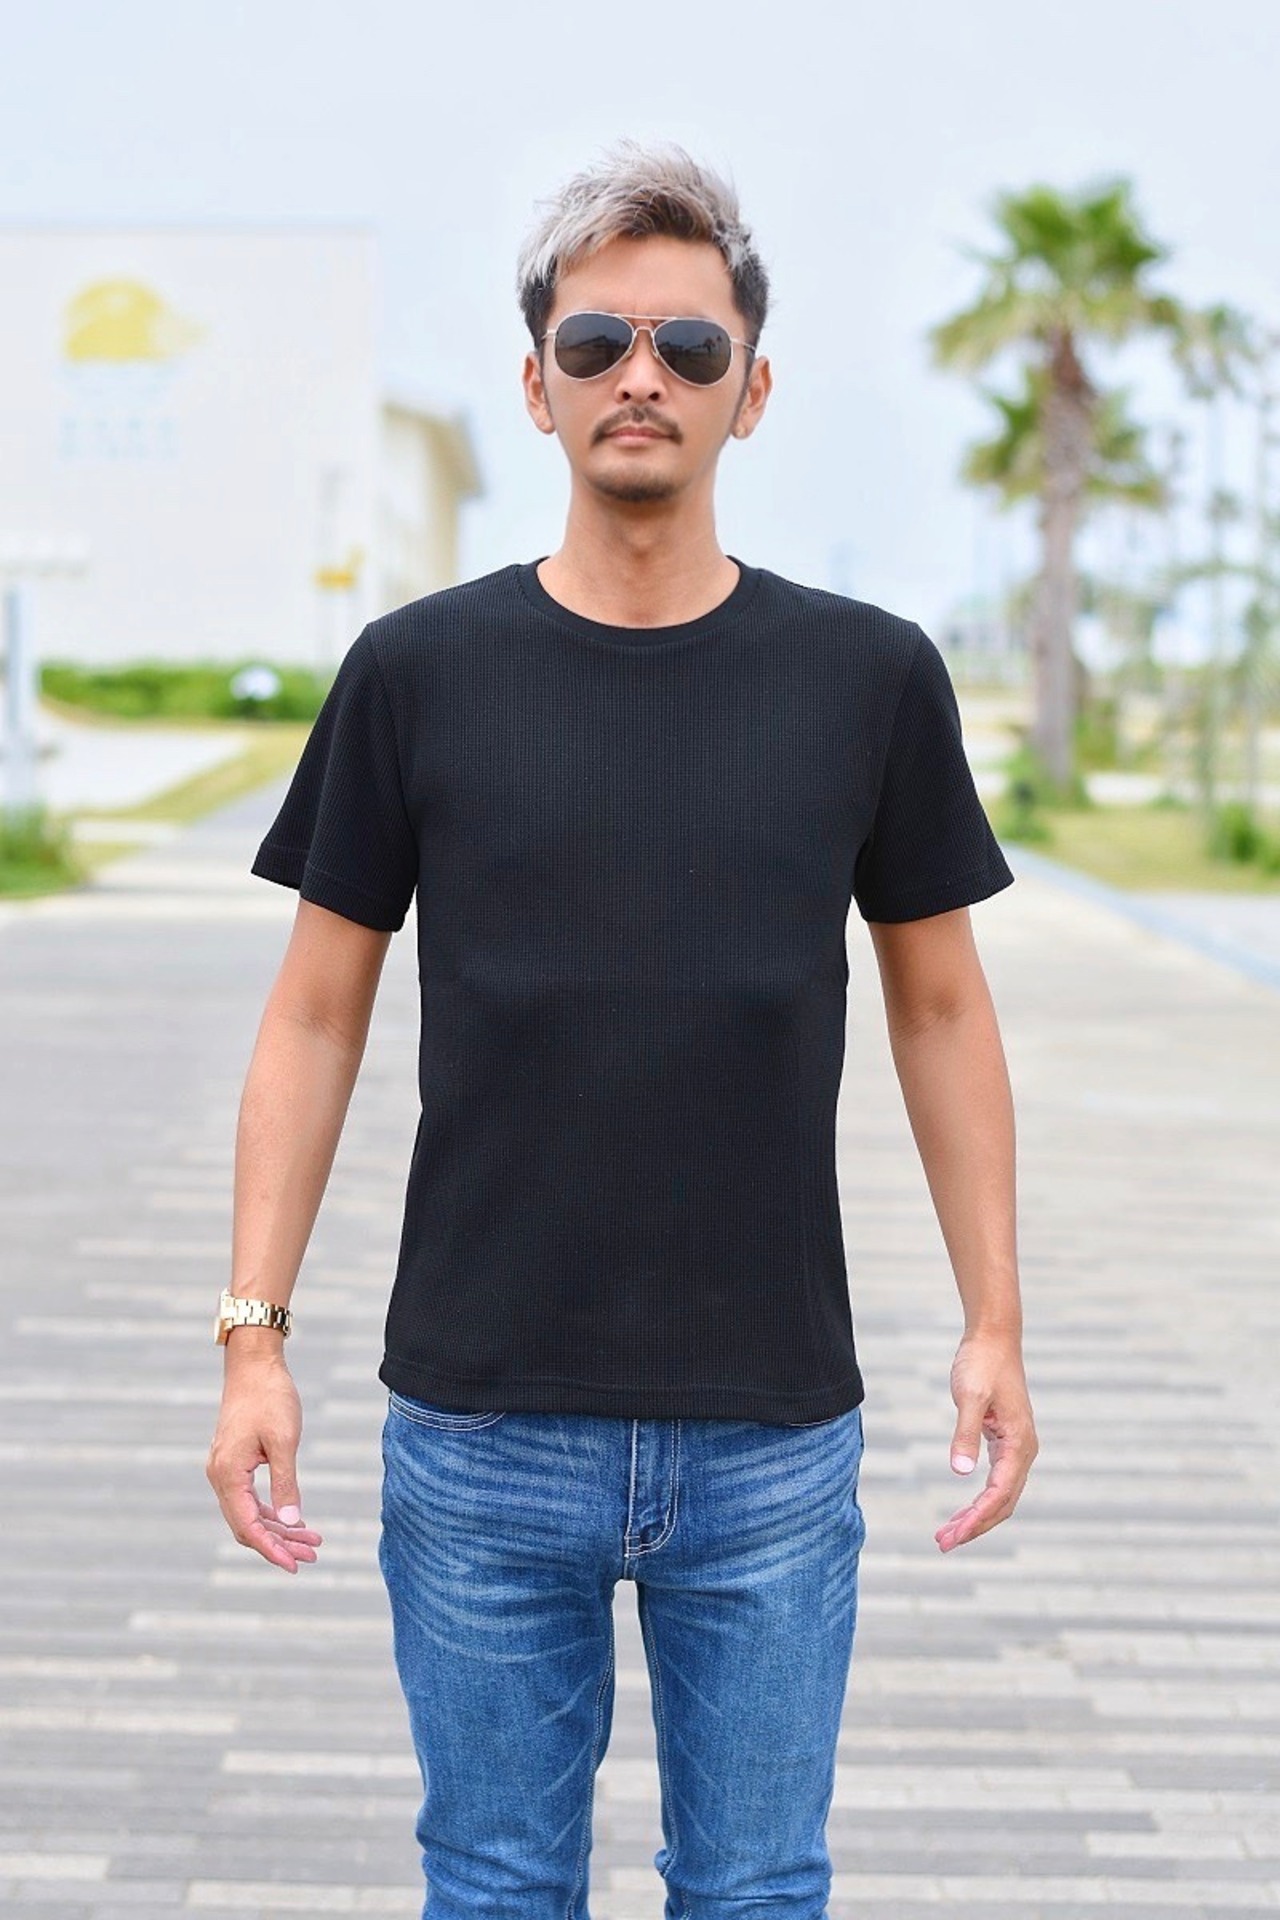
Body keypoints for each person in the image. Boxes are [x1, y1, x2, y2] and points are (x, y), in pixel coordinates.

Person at [206, 136, 1038, 1919]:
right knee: (496, 1886)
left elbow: (944, 1009)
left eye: (688, 344)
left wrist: (997, 1323)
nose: (638, 375)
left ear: (753, 391)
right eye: (595, 343)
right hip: (481, 1426)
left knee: (757, 1890)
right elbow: (314, 1020)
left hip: (772, 1436)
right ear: (538, 386)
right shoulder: (417, 674)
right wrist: (252, 1340)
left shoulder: (869, 678)